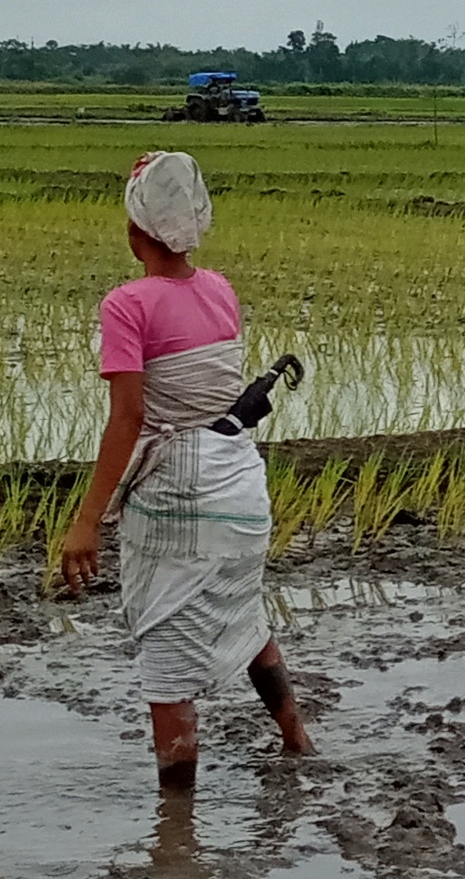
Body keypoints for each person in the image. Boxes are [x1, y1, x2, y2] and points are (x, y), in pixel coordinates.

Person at [55, 152, 312, 786]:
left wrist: (87, 519)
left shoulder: (126, 305)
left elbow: (128, 420)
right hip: (240, 477)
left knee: (166, 658)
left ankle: (176, 835)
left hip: (181, 489)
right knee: (245, 617)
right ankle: (299, 742)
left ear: (132, 232)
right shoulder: (220, 289)